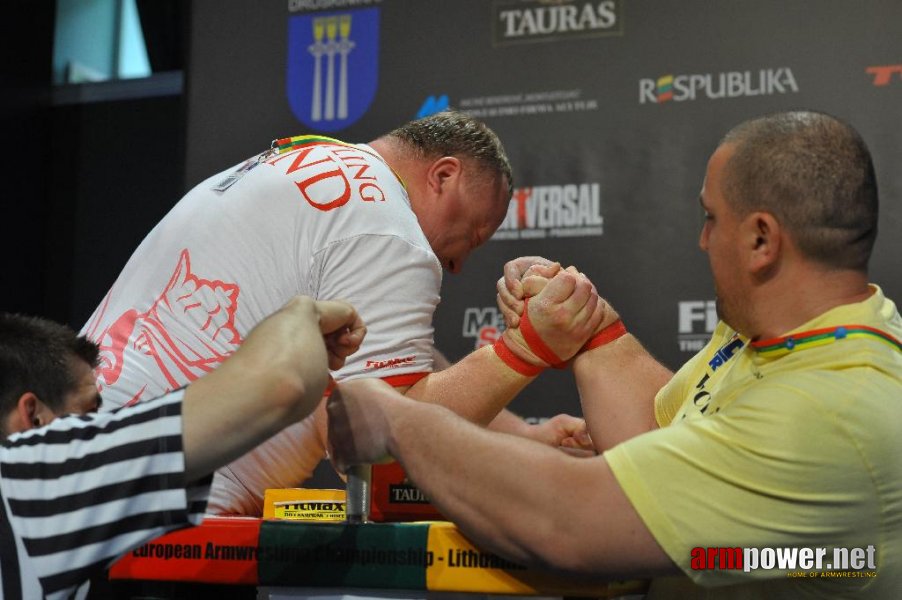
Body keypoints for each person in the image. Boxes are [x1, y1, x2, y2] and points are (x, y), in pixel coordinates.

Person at [326, 110, 902, 598]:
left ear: (760, 240)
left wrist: (397, 418)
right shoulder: (803, 334)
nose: (703, 239)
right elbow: (659, 434)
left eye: (711, 218)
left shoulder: (825, 413)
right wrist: (585, 321)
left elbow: (567, 522)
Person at [80, 110, 597, 515]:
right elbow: (374, 437)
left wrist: (524, 435)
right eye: (473, 235)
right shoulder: (389, 228)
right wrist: (523, 350)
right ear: (443, 175)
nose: (459, 263)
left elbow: (391, 364)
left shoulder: (308, 165)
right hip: (159, 499)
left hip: (78, 459)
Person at [1, 297, 365, 599]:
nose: (103, 422)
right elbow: (282, 384)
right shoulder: (29, 482)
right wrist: (303, 312)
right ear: (33, 418)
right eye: (89, 413)